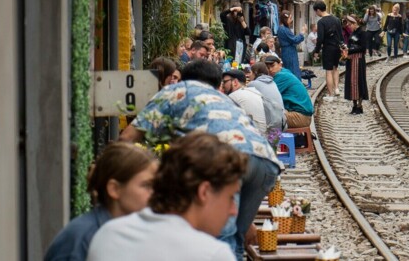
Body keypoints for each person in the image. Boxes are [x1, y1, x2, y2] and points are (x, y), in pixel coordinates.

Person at [118, 60, 280, 259]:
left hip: (227, 159)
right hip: (265, 161)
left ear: (184, 79)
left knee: (220, 235)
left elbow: (128, 137)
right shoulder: (222, 98)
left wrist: (115, 171)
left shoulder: (174, 92)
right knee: (235, 237)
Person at [87, 132, 246, 261]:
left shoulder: (108, 234)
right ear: (204, 192)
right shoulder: (213, 254)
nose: (233, 211)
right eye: (231, 197)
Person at [44, 143, 156, 261]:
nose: (155, 193)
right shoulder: (83, 238)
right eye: (146, 186)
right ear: (114, 189)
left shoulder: (135, 232)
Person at [266, 55, 314, 128]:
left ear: (280, 64)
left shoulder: (281, 76)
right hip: (302, 115)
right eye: (268, 68)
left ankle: (273, 138)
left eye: (273, 66)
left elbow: (268, 95)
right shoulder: (285, 71)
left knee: (267, 118)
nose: (270, 70)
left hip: (300, 116)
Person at [312, 1, 344, 100]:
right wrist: (342, 47)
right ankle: (337, 88)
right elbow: (341, 35)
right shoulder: (336, 19)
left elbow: (320, 38)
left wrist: (316, 51)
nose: (316, 14)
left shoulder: (321, 22)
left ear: (318, 10)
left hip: (328, 48)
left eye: (315, 12)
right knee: (336, 68)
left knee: (328, 71)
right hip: (337, 48)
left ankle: (330, 95)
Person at [221, 69, 267, 135]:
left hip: (249, 138)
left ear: (235, 82)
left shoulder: (234, 96)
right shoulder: (254, 92)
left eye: (225, 82)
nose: (223, 85)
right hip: (261, 137)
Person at [247, 61, 286, 132]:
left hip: (270, 128)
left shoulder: (253, 84)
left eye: (250, 72)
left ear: (255, 72)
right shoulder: (272, 82)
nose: (249, 75)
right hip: (282, 124)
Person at [343, 16, 369, 114]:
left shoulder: (362, 33)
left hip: (358, 60)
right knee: (351, 82)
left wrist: (351, 50)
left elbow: (363, 48)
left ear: (355, 23)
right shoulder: (352, 33)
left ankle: (360, 105)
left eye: (350, 25)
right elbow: (350, 45)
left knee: (359, 81)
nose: (349, 27)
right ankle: (354, 105)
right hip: (351, 60)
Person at [276, 11, 305, 79]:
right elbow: (295, 40)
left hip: (288, 50)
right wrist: (302, 33)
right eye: (290, 18)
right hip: (288, 51)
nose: (291, 20)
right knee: (293, 69)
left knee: (292, 68)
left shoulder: (283, 28)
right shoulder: (283, 29)